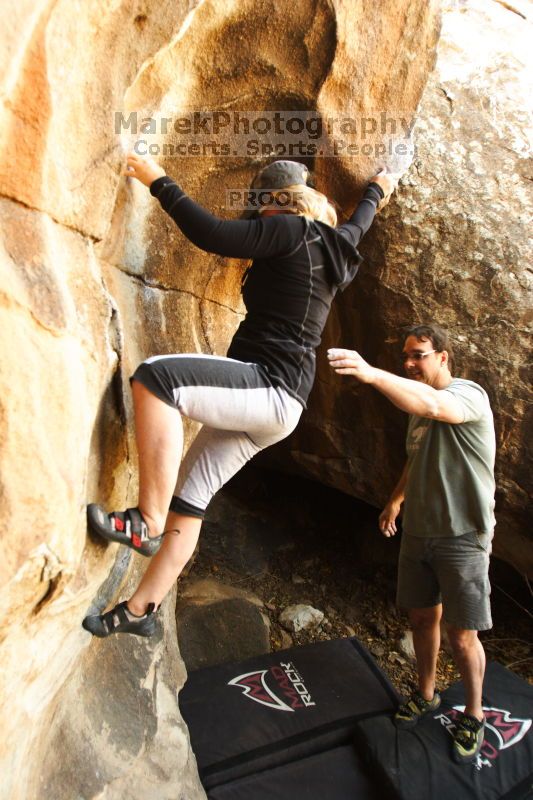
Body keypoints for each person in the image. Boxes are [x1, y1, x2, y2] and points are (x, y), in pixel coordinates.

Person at [83, 154, 396, 640]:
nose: (257, 222)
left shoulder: (289, 228)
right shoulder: (338, 246)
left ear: (281, 205)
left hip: (268, 383)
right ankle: (140, 611)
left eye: (261, 212)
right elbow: (362, 220)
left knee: (154, 378)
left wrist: (155, 179)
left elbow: (210, 233)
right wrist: (379, 186)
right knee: (189, 500)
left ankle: (144, 521)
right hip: (284, 403)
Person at [327, 324, 496, 764]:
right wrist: (395, 502)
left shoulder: (467, 395)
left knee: (462, 636)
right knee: (422, 619)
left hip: (462, 535)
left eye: (418, 354)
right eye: (405, 355)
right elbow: (416, 456)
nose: (408, 362)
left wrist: (373, 374)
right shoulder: (417, 409)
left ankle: (475, 713)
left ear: (443, 357)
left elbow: (438, 406)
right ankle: (426, 693)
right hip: (419, 532)